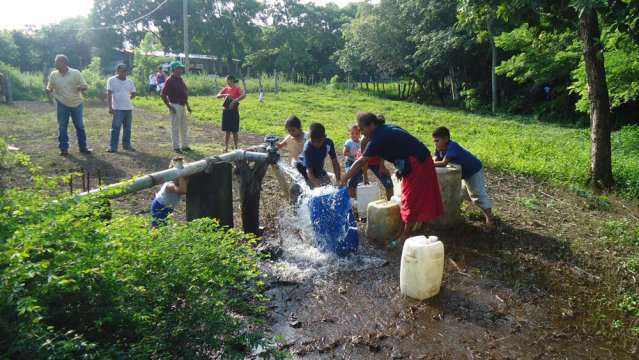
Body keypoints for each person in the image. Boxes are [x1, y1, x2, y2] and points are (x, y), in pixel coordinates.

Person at [338, 112, 444, 247]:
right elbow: (402, 147)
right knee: (405, 198)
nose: (361, 132)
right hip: (409, 164)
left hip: (419, 163)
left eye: (362, 129)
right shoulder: (382, 131)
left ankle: (404, 237)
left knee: (412, 201)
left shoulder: (379, 137)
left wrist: (342, 180)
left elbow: (360, 162)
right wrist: (401, 169)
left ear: (372, 125)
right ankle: (400, 232)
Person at [432, 126, 494, 232]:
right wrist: (433, 160)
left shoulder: (452, 145)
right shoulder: (440, 148)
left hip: (473, 170)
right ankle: (456, 213)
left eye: (437, 141)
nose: (435, 143)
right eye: (434, 141)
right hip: (463, 173)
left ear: (446, 139)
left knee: (477, 195)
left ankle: (489, 220)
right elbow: (435, 158)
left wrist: (428, 164)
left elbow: (444, 163)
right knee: (462, 193)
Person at [45, 54, 92, 156]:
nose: (55, 64)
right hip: (61, 103)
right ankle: (63, 148)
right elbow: (50, 86)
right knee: (62, 127)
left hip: (76, 103)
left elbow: (85, 86)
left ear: (63, 63)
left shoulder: (76, 73)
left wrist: (81, 88)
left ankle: (83, 147)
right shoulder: (53, 74)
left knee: (79, 126)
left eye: (57, 62)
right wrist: (48, 90)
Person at [348, 133, 395, 201]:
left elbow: (383, 153)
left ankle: (390, 204)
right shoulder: (364, 140)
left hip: (377, 162)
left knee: (388, 182)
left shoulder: (382, 137)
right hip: (363, 161)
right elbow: (364, 159)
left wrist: (382, 166)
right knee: (351, 182)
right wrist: (365, 177)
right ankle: (354, 205)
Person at [296, 123, 341, 189]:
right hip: (303, 169)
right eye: (313, 141)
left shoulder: (329, 143)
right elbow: (309, 171)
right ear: (310, 138)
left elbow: (335, 162)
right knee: (312, 191)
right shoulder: (308, 148)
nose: (316, 144)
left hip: (318, 168)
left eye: (319, 141)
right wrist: (319, 188)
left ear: (324, 137)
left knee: (329, 187)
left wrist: (338, 180)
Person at [160, 61, 192, 153]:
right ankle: (176, 146)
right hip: (175, 105)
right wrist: (169, 106)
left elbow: (184, 93)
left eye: (181, 68)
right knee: (175, 127)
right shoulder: (169, 80)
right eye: (179, 68)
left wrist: (188, 105)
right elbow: (163, 94)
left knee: (184, 127)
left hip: (182, 105)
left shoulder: (180, 79)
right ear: (173, 69)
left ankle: (185, 146)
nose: (181, 70)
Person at [106, 64, 137, 153]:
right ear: (118, 71)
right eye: (122, 71)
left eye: (125, 71)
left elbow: (134, 93)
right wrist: (110, 107)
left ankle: (127, 145)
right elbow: (109, 94)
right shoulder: (111, 80)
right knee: (115, 128)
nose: (124, 73)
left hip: (128, 108)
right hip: (117, 108)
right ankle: (113, 146)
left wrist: (127, 98)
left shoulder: (130, 81)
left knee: (127, 128)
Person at [151, 156, 189, 227]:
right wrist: (182, 175)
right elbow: (182, 191)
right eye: (179, 178)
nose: (181, 180)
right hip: (159, 206)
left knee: (163, 225)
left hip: (168, 207)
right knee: (157, 226)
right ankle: (154, 237)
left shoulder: (178, 182)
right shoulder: (170, 186)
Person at [216, 75, 246, 152]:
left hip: (234, 111)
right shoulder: (226, 89)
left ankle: (236, 147)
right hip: (226, 111)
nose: (227, 82)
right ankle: (225, 147)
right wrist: (225, 95)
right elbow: (217, 96)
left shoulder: (238, 88)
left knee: (235, 131)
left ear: (232, 80)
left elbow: (243, 95)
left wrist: (234, 101)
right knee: (227, 131)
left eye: (228, 81)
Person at [343, 125, 361, 198]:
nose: (354, 135)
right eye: (352, 133)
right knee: (349, 175)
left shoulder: (361, 142)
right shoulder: (348, 142)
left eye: (357, 133)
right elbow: (345, 152)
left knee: (358, 177)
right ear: (349, 133)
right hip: (350, 161)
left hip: (358, 162)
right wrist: (354, 155)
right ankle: (348, 190)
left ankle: (356, 192)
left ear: (360, 134)